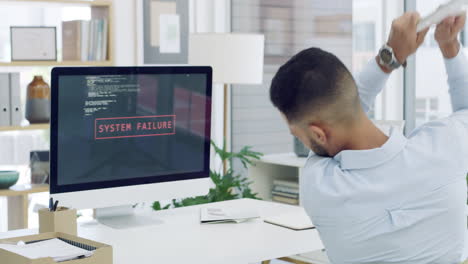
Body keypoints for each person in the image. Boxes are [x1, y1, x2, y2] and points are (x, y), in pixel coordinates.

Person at [269, 12, 468, 264]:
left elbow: (354, 100)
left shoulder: (320, 186)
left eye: (296, 133)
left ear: (318, 133)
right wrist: (448, 46)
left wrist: (390, 56)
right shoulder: (446, 147)